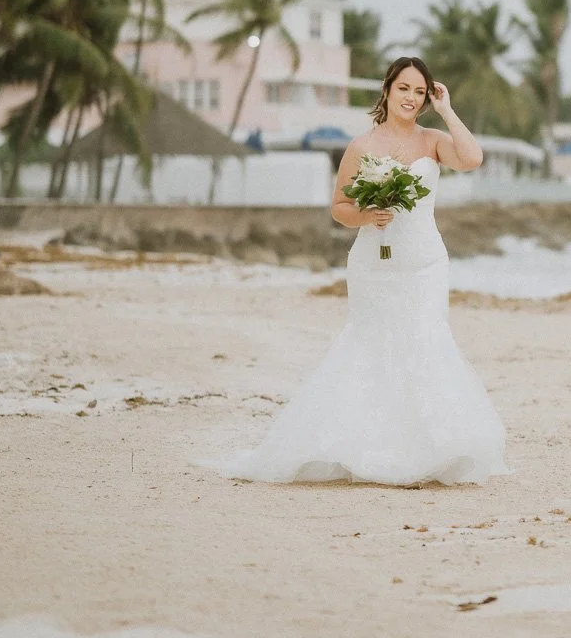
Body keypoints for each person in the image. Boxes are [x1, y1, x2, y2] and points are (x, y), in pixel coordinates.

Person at [216, 56, 509, 486]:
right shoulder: (361, 146)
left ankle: (429, 449)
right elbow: (339, 207)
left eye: (419, 91)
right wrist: (367, 215)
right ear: (387, 89)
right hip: (374, 265)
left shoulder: (432, 141)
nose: (411, 98)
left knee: (426, 339)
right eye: (403, 88)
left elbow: (472, 158)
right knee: (371, 344)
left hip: (425, 263)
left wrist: (446, 110)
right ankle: (368, 447)